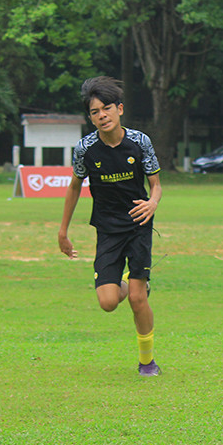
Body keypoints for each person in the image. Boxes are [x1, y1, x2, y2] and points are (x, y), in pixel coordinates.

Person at [58, 76, 162, 376]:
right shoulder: (85, 149)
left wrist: (152, 203)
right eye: (94, 112)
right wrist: (63, 231)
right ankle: (128, 285)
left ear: (119, 109)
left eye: (106, 109)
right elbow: (75, 187)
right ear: (90, 117)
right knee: (107, 302)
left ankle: (147, 362)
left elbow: (155, 185)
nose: (101, 115)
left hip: (139, 223)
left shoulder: (140, 142)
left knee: (139, 299)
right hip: (107, 228)